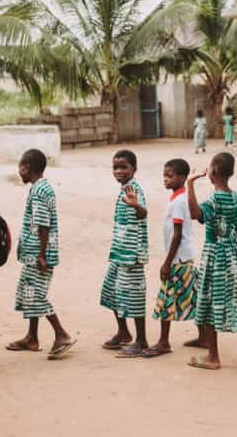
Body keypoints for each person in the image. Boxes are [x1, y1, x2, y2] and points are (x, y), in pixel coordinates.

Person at [186, 153, 237, 370]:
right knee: (235, 300)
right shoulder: (235, 198)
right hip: (234, 254)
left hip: (215, 255)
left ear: (212, 172)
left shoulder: (214, 200)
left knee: (210, 301)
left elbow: (195, 213)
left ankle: (213, 357)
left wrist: (190, 184)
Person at [6, 149, 75, 359]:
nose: (19, 171)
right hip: (35, 253)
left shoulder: (39, 191)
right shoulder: (41, 187)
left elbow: (43, 224)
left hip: (38, 254)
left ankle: (61, 334)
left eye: (20, 167)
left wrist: (41, 255)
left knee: (36, 295)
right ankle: (32, 337)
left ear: (26, 167)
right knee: (30, 292)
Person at [146, 158, 200, 357]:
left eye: (170, 176)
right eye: (164, 176)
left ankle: (163, 342)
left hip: (178, 260)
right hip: (185, 257)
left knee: (166, 300)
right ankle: (203, 335)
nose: (165, 179)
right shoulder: (180, 198)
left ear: (183, 178)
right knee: (193, 297)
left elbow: (177, 234)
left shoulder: (178, 202)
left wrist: (167, 262)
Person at [100, 149, 151, 357]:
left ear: (134, 169)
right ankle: (123, 332)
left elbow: (143, 212)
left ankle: (141, 341)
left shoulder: (134, 189)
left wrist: (136, 204)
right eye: (115, 167)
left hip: (132, 255)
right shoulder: (123, 189)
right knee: (111, 291)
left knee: (134, 296)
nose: (118, 171)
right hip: (119, 253)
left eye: (123, 167)